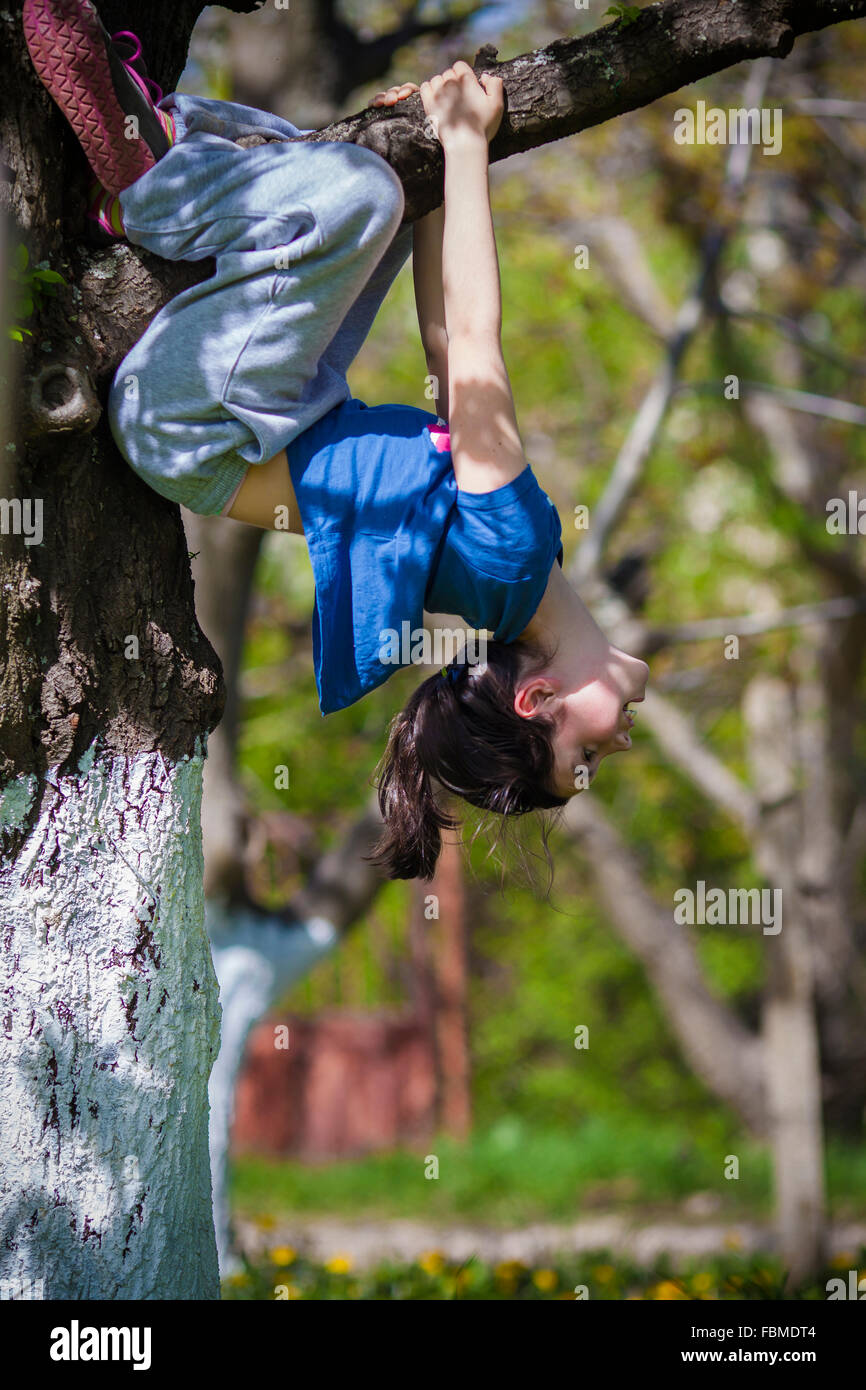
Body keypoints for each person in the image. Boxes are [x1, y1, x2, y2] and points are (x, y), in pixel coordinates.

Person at [23, 0, 649, 881]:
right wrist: (438, 160)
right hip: (257, 410)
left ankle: (142, 192)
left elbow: (473, 346)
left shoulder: (512, 564)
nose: (616, 747)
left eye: (583, 760)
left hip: (197, 427)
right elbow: (445, 346)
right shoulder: (525, 569)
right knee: (364, 175)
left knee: (353, 198)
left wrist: (472, 147)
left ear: (538, 696)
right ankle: (159, 134)